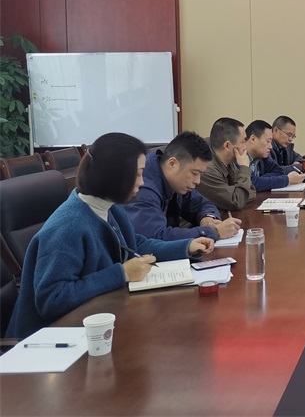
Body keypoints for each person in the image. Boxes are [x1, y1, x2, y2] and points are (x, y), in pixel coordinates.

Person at [6, 133, 214, 339]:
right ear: (115, 175)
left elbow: (135, 244)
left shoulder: (109, 207)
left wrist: (185, 247)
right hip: (51, 341)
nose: (142, 182)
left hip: (97, 321)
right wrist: (121, 273)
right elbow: (52, 299)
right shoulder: (69, 227)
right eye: (138, 174)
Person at [127, 132, 240, 241]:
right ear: (172, 163)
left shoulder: (175, 180)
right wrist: (213, 232)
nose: (198, 181)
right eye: (195, 173)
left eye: (200, 174)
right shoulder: (143, 188)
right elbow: (155, 237)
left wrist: (207, 218)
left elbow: (202, 203)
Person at [197, 117, 257, 211]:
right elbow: (237, 201)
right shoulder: (207, 170)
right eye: (243, 142)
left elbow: (251, 191)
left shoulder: (228, 163)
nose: (245, 147)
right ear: (227, 146)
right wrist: (244, 167)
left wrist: (239, 195)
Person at [246, 119, 305, 191]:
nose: (270, 147)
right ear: (253, 139)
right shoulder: (239, 157)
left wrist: (261, 179)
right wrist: (287, 180)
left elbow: (279, 171)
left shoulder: (263, 155)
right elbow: (251, 184)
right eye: (268, 141)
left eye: (271, 142)